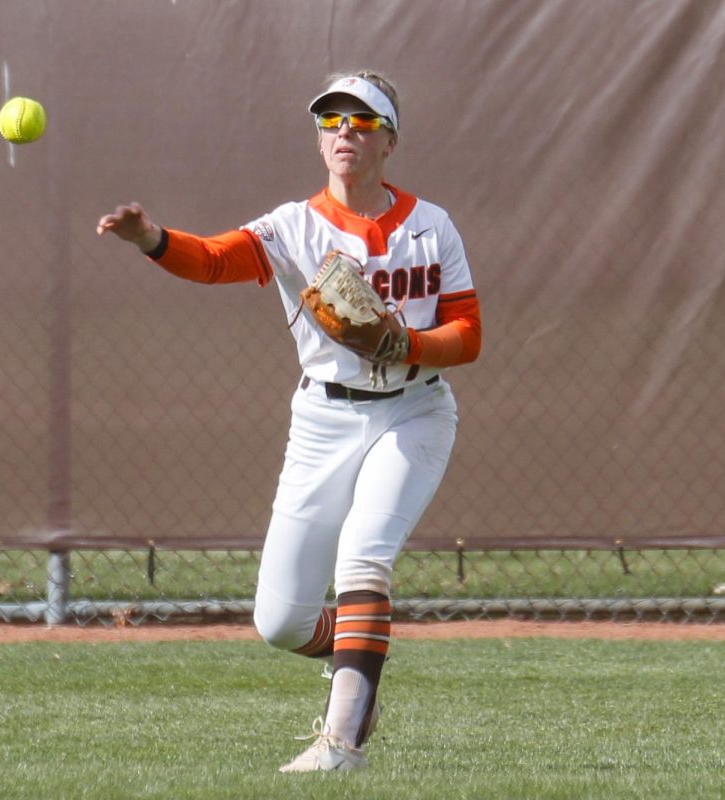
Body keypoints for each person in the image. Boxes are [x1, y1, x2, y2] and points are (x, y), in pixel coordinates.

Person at [96, 71, 482, 773]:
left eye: (362, 121)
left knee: (364, 556)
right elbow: (215, 261)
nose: (344, 131)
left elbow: (470, 333)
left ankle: (342, 743)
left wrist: (409, 345)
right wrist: (151, 238)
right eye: (331, 120)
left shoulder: (433, 226)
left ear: (389, 140)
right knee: (281, 622)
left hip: (415, 411)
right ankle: (359, 666)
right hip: (324, 418)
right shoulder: (293, 227)